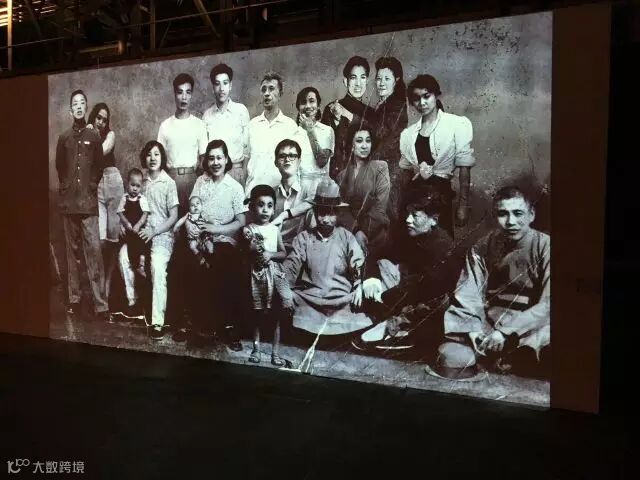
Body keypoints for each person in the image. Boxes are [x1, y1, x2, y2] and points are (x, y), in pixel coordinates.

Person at [441, 187, 550, 378]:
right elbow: (468, 292)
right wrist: (473, 330)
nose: (511, 222)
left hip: (532, 324)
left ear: (531, 215)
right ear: (494, 215)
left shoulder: (546, 246)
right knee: (453, 356)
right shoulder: (483, 246)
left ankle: (518, 357)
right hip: (490, 322)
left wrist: (506, 332)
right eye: (503, 214)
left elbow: (549, 303)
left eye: (518, 213)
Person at [353, 187, 463, 355]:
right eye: (408, 214)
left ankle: (401, 330)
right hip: (404, 295)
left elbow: (423, 290)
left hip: (427, 306)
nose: (408, 220)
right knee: (384, 264)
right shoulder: (409, 236)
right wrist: (371, 280)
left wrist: (383, 299)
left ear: (433, 220)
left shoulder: (443, 248)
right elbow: (375, 254)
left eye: (415, 215)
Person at [177, 139, 246, 351]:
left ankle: (226, 326)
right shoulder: (201, 182)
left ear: (226, 160)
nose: (215, 162)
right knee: (183, 259)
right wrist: (191, 227)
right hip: (199, 238)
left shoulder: (234, 187)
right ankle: (190, 323)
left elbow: (241, 221)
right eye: (211, 158)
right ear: (206, 161)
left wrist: (216, 229)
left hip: (224, 239)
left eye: (219, 158)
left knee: (223, 263)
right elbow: (192, 210)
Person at [282, 178, 372, 338]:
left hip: (340, 298)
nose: (326, 219)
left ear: (337, 213)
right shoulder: (304, 238)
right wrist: (286, 290)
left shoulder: (346, 237)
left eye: (331, 214)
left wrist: (359, 286)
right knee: (291, 298)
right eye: (322, 213)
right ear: (315, 212)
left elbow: (358, 264)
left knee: (361, 301)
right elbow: (291, 265)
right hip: (311, 298)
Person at [55, 89, 109, 321]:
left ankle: (100, 305)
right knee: (72, 254)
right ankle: (74, 300)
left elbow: (98, 166)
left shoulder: (94, 136)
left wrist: (91, 186)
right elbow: (60, 166)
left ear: (86, 108)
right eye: (75, 104)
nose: (78, 107)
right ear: (71, 109)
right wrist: (67, 187)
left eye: (82, 103)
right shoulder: (64, 138)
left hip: (88, 204)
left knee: (94, 252)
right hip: (69, 203)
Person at [399, 74, 475, 238]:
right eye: (416, 99)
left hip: (441, 195)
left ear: (436, 95)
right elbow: (406, 173)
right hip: (414, 196)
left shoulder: (456, 124)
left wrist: (463, 205)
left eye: (426, 96)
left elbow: (464, 167)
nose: (422, 103)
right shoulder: (408, 134)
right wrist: (402, 204)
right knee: (411, 243)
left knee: (439, 240)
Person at [118, 141, 179, 339]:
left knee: (157, 267)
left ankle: (157, 322)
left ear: (162, 158)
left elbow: (173, 216)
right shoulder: (139, 181)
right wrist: (123, 226)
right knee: (123, 257)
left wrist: (154, 231)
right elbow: (126, 207)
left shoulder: (168, 183)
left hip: (161, 234)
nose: (152, 158)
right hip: (139, 233)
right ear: (144, 158)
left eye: (157, 154)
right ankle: (134, 303)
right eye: (149, 154)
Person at [242, 185, 294, 367]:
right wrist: (251, 246)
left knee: (276, 316)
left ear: (274, 210)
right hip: (256, 276)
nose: (265, 210)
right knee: (257, 313)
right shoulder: (248, 230)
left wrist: (270, 254)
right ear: (252, 207)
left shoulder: (274, 229)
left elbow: (283, 253)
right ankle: (256, 349)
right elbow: (246, 252)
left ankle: (275, 353)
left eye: (269, 206)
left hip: (274, 276)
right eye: (260, 205)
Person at [245, 71, 313, 194]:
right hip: (253, 194)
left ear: (280, 94)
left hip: (280, 196)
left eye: (271, 89)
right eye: (264, 89)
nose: (267, 93)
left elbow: (298, 165)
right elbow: (246, 161)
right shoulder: (252, 125)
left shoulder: (290, 126)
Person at [336, 125, 390, 261]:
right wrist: (355, 231)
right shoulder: (342, 176)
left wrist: (363, 231)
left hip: (375, 233)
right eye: (359, 141)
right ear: (352, 146)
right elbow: (341, 209)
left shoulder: (380, 167)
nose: (365, 145)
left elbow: (380, 207)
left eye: (368, 141)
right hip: (350, 232)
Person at [88, 102, 124, 302]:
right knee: (100, 241)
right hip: (96, 186)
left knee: (113, 240)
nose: (101, 122)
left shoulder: (110, 135)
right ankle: (100, 283)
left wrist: (89, 136)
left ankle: (108, 284)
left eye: (104, 119)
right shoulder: (86, 133)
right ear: (93, 116)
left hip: (113, 182)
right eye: (98, 117)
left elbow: (100, 153)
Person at [157, 73, 208, 213]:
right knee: (172, 219)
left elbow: (204, 158)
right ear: (175, 94)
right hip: (170, 179)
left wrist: (195, 176)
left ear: (191, 95)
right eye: (180, 92)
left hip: (193, 179)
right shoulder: (165, 125)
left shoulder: (199, 125)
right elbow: (159, 158)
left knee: (193, 219)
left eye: (188, 92)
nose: (184, 97)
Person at [321, 56, 374, 179]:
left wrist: (347, 115)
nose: (358, 84)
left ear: (367, 81)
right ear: (346, 81)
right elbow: (327, 148)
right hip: (337, 177)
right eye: (353, 78)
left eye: (363, 77)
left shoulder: (371, 112)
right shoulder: (332, 108)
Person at [371, 57, 409, 225]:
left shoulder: (396, 105)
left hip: (391, 169)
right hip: (382, 166)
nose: (381, 83)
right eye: (378, 78)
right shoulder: (384, 103)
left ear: (396, 80)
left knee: (388, 216)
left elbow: (381, 133)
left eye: (387, 78)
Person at [202, 63, 251, 186]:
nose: (221, 88)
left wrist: (244, 173)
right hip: (214, 173)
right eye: (217, 84)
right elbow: (205, 151)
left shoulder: (241, 111)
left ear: (230, 86)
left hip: (236, 171)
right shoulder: (207, 116)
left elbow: (248, 148)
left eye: (225, 83)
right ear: (213, 87)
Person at [269, 139, 314, 252]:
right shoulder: (271, 193)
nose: (287, 159)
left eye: (292, 156)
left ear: (299, 161)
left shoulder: (308, 190)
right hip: (273, 249)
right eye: (282, 156)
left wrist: (284, 214)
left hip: (299, 251)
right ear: (275, 162)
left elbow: (312, 203)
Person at [295, 86, 335, 194]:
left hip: (321, 189)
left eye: (311, 101)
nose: (308, 106)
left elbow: (321, 161)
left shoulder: (327, 131)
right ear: (298, 107)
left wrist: (310, 130)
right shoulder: (293, 133)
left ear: (318, 105)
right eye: (303, 102)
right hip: (299, 188)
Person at [116, 168, 151, 277]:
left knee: (143, 242)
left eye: (138, 186)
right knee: (127, 245)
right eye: (132, 185)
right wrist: (126, 223)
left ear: (141, 186)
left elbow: (145, 214)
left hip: (138, 228)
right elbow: (120, 212)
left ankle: (141, 263)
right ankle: (134, 265)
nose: (135, 188)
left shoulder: (142, 199)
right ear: (127, 184)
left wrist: (138, 225)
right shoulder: (124, 198)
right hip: (128, 229)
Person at [172, 195, 210, 264]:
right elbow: (181, 220)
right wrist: (176, 226)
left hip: (203, 236)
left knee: (209, 245)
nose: (195, 206)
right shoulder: (188, 215)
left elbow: (210, 222)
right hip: (192, 238)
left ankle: (210, 256)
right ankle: (201, 258)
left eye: (197, 203)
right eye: (192, 205)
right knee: (192, 246)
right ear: (189, 208)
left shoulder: (203, 215)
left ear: (202, 206)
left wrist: (211, 222)